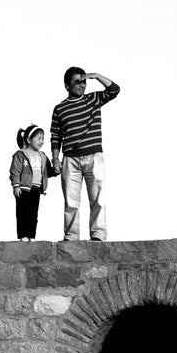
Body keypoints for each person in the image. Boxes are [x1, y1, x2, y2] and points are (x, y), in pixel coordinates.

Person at [50, 68, 120, 241]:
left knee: (97, 199)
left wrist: (97, 76)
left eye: (84, 81)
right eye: (77, 82)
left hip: (93, 155)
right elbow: (55, 136)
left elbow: (115, 90)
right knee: (71, 202)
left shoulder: (93, 99)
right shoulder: (60, 108)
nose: (82, 85)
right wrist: (55, 159)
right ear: (67, 85)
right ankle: (71, 237)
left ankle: (98, 235)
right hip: (70, 158)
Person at [8, 124, 58, 241]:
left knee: (33, 214)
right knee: (22, 213)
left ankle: (31, 236)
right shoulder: (21, 154)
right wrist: (16, 186)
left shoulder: (42, 156)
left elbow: (47, 172)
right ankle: (23, 235)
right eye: (39, 138)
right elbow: (15, 171)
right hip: (23, 188)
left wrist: (56, 170)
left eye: (43, 139)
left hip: (37, 189)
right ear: (29, 139)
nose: (42, 141)